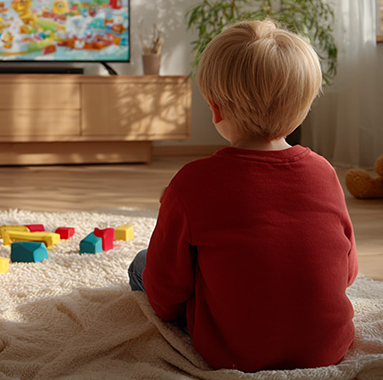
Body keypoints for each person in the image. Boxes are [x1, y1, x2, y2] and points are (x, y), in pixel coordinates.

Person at [129, 20, 358, 372]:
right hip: (327, 348)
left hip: (234, 354)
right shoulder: (324, 172)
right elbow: (348, 272)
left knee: (141, 264)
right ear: (302, 107)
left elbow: (165, 297)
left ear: (215, 109)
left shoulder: (191, 182)